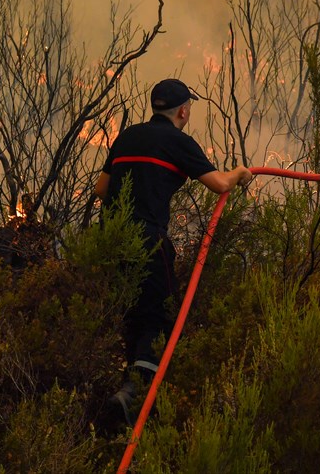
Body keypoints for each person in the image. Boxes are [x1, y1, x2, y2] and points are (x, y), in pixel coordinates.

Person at [94, 78, 252, 424]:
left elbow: (101, 188)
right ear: (183, 110)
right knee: (162, 315)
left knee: (132, 316)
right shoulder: (178, 142)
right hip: (149, 241)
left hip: (111, 242)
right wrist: (240, 172)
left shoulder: (127, 136)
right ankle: (137, 395)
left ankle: (124, 400)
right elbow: (220, 184)